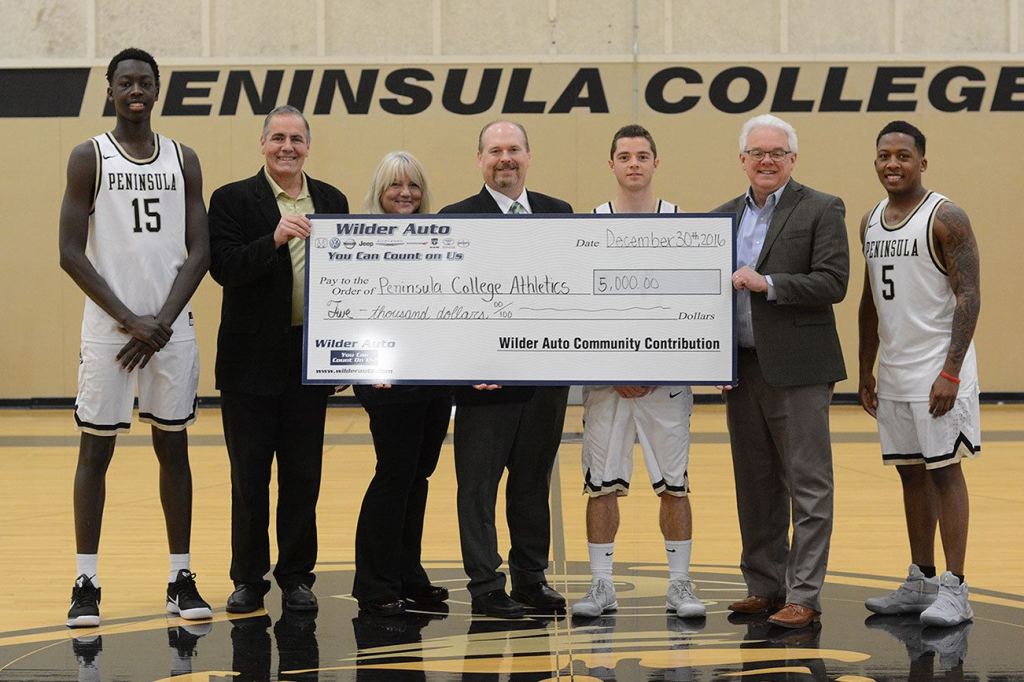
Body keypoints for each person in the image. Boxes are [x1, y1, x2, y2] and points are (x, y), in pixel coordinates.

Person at [58, 47, 212, 628]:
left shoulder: (183, 158)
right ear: (110, 90)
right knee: (95, 449)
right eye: (125, 83)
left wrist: (159, 324)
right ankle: (86, 582)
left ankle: (180, 577)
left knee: (173, 446)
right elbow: (69, 253)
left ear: (157, 88)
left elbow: (200, 250)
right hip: (110, 331)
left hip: (169, 329)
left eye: (144, 81)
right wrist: (131, 319)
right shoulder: (89, 156)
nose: (136, 91)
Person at [209, 104, 349, 614]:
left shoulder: (331, 199)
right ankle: (248, 579)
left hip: (308, 358)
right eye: (278, 138)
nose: (287, 147)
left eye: (296, 139)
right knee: (249, 479)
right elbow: (224, 268)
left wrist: (342, 357)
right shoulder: (231, 199)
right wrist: (274, 237)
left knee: (302, 476)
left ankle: (296, 577)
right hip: (249, 363)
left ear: (308, 146)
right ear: (263, 144)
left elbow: (347, 281)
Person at [714, 114, 849, 629]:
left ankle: (804, 594)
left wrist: (768, 283)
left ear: (793, 159)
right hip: (741, 369)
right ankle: (764, 585)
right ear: (742, 159)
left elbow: (833, 281)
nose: (766, 161)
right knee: (755, 485)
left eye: (776, 153)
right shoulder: (721, 218)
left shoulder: (821, 207)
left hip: (800, 369)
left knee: (808, 485)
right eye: (757, 152)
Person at [438, 120, 573, 618]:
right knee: (478, 487)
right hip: (483, 383)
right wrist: (463, 367)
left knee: (533, 483)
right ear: (480, 160)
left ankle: (531, 578)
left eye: (513, 149)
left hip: (543, 380)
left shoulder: (560, 214)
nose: (505, 158)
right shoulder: (456, 218)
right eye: (495, 150)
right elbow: (442, 303)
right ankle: (485, 585)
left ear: (529, 156)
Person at [572, 125, 704, 620]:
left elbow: (692, 305)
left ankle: (679, 584)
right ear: (611, 164)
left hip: (664, 382)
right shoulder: (590, 226)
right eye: (624, 156)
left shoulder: (681, 224)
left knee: (675, 484)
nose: (633, 164)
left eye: (642, 156)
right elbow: (578, 308)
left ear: (655, 163)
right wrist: (611, 366)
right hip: (606, 382)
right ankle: (601, 584)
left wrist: (657, 365)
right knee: (601, 484)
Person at [858, 121, 981, 627]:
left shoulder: (945, 216)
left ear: (922, 162)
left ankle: (956, 588)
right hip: (894, 370)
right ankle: (921, 580)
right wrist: (865, 368)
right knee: (910, 473)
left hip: (938, 369)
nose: (893, 163)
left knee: (945, 472)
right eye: (884, 155)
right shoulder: (869, 220)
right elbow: (870, 299)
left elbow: (969, 295)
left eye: (903, 155)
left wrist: (951, 372)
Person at [351, 152, 453, 616]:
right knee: (394, 475)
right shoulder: (359, 243)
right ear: (380, 191)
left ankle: (408, 573)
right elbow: (347, 307)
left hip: (432, 377)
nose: (405, 193)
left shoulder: (437, 240)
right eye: (395, 184)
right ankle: (375, 583)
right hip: (386, 380)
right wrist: (368, 365)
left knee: (418, 475)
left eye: (413, 185)